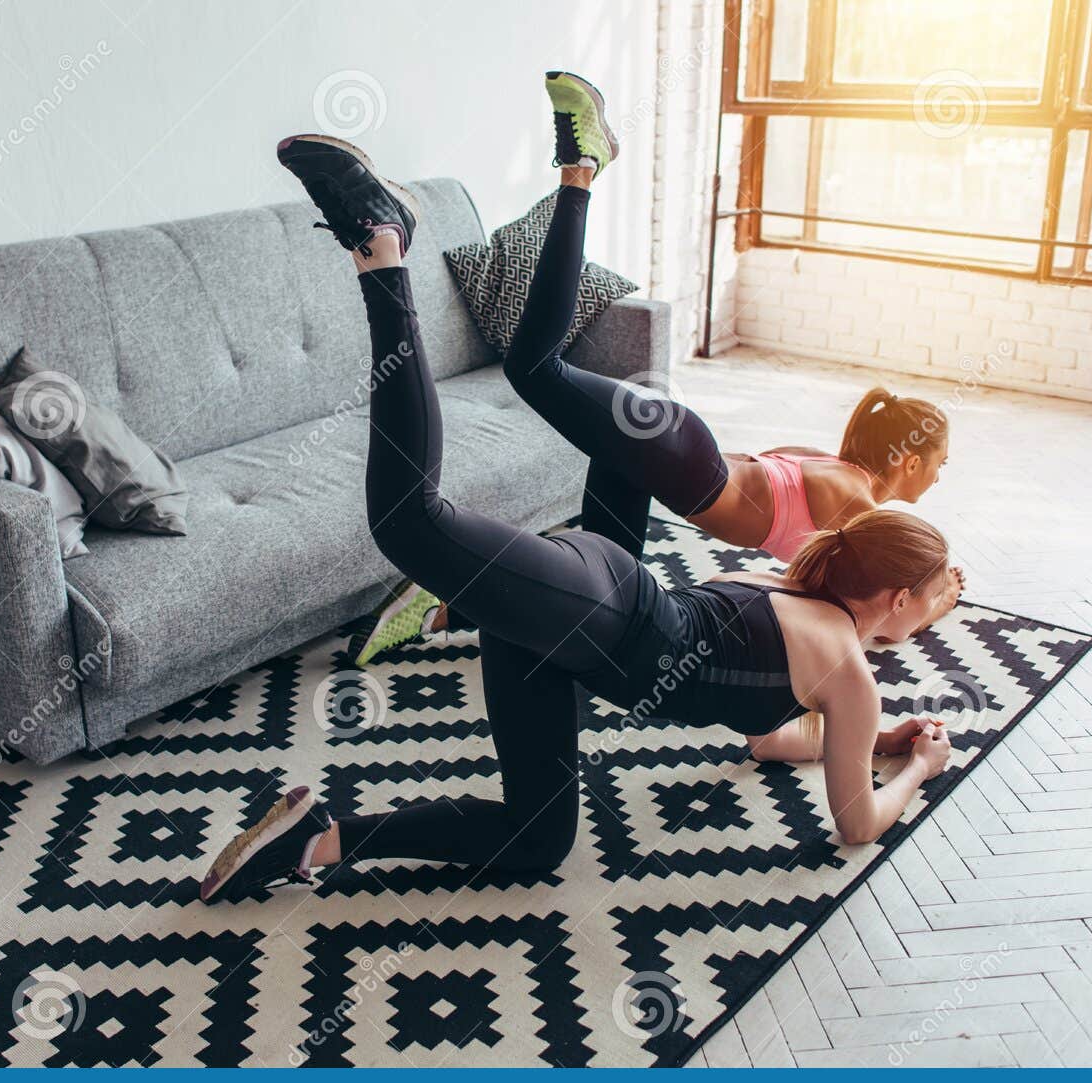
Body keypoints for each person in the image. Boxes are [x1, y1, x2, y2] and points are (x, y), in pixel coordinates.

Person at [199, 73, 953, 904]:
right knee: (412, 521)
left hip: (577, 624)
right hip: (607, 607)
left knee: (538, 840)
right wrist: (917, 763)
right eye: (935, 597)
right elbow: (857, 827)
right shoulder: (847, 668)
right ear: (893, 597)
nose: (939, 610)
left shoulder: (805, 604)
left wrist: (877, 737)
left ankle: (317, 841)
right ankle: (381, 247)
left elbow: (774, 745)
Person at [353, 106, 957, 665]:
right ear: (906, 459)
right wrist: (935, 603)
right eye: (939, 463)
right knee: (532, 368)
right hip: (680, 460)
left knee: (604, 578)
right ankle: (581, 172)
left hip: (677, 455)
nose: (939, 477)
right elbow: (861, 617)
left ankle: (443, 606)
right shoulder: (860, 506)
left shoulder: (833, 466)